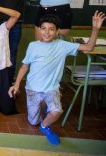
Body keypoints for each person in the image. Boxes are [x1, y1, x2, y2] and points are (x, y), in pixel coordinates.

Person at [8, 11, 105, 145]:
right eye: (44, 28)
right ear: (39, 29)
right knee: (33, 121)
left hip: (51, 88)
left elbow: (89, 47)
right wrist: (17, 84)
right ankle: (44, 108)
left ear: (58, 31)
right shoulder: (33, 46)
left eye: (51, 29)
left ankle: (45, 126)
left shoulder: (63, 45)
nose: (47, 32)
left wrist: (95, 28)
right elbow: (24, 66)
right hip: (33, 89)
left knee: (56, 112)